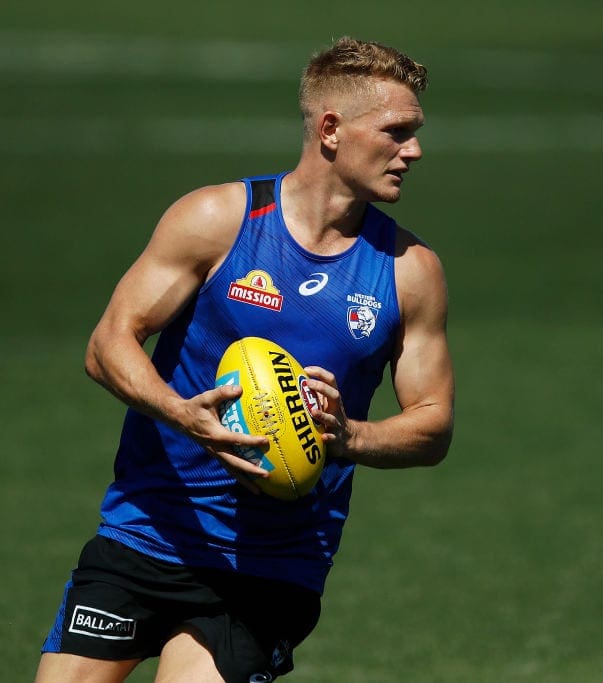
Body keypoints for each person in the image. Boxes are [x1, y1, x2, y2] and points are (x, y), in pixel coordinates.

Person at [36, 36, 454, 682]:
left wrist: (351, 436)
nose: (415, 151)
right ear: (331, 129)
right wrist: (182, 414)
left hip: (271, 567)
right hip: (146, 531)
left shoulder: (408, 272)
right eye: (397, 132)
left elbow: (433, 423)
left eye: (415, 133)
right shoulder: (219, 219)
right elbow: (109, 342)